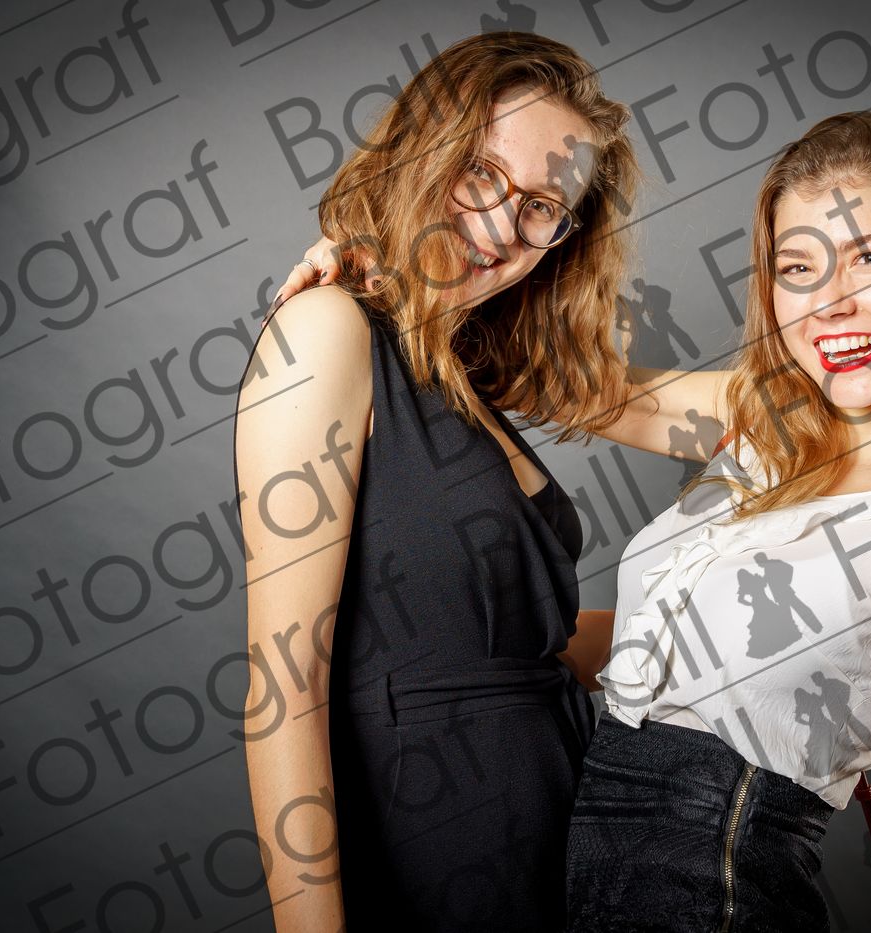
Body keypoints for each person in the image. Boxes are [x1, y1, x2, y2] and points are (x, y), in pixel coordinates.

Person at [278, 111, 871, 930]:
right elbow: (514, 373)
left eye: (870, 256)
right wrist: (379, 272)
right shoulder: (767, 422)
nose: (831, 301)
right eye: (797, 267)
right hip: (565, 890)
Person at [233, 32, 638, 932]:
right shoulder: (326, 332)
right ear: (422, 150)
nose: (500, 226)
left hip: (569, 854)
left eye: (542, 207)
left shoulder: (463, 375)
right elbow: (284, 691)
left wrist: (750, 632)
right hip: (438, 861)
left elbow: (513, 651)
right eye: (481, 172)